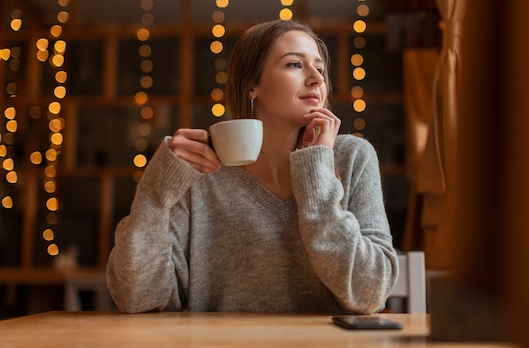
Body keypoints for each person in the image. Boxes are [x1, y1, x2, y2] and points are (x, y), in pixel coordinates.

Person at [106, 19, 399, 314]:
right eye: (295, 65)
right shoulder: (200, 174)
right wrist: (156, 192)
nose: (316, 79)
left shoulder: (352, 158)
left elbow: (369, 294)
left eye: (320, 69)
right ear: (251, 86)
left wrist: (317, 173)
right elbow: (139, 299)